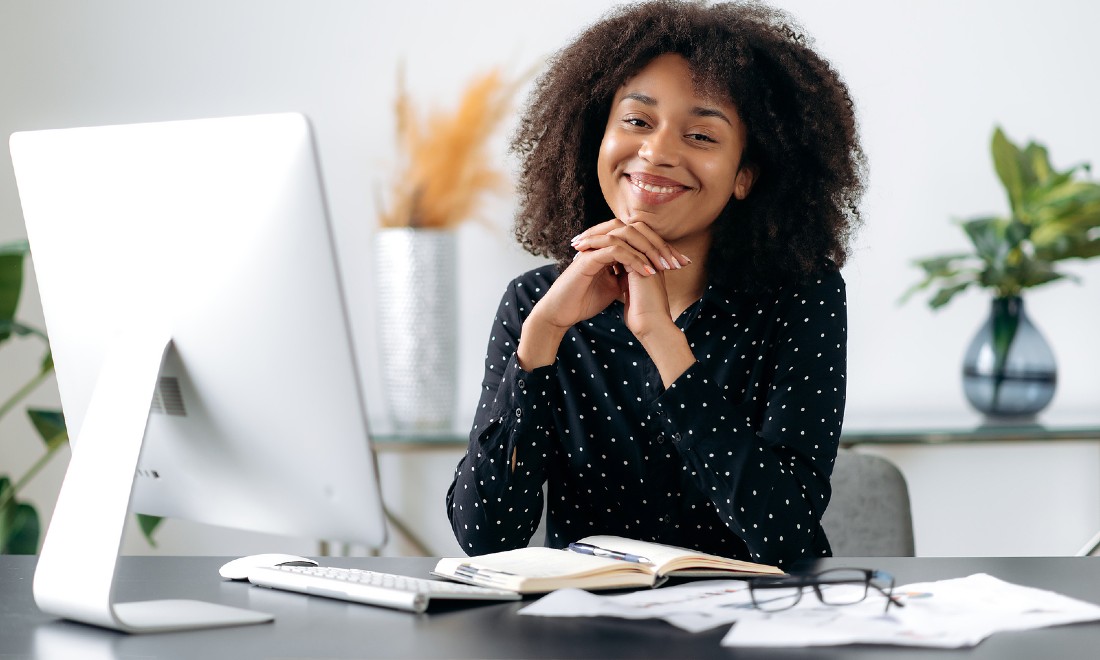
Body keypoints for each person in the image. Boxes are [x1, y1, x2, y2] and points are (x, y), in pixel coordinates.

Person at [446, 0, 864, 568]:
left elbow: (786, 532)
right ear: (598, 139)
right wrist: (540, 338)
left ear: (745, 175)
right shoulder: (536, 304)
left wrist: (662, 340)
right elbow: (486, 537)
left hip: (756, 627)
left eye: (700, 135)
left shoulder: (801, 299)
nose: (658, 152)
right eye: (638, 121)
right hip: (587, 630)